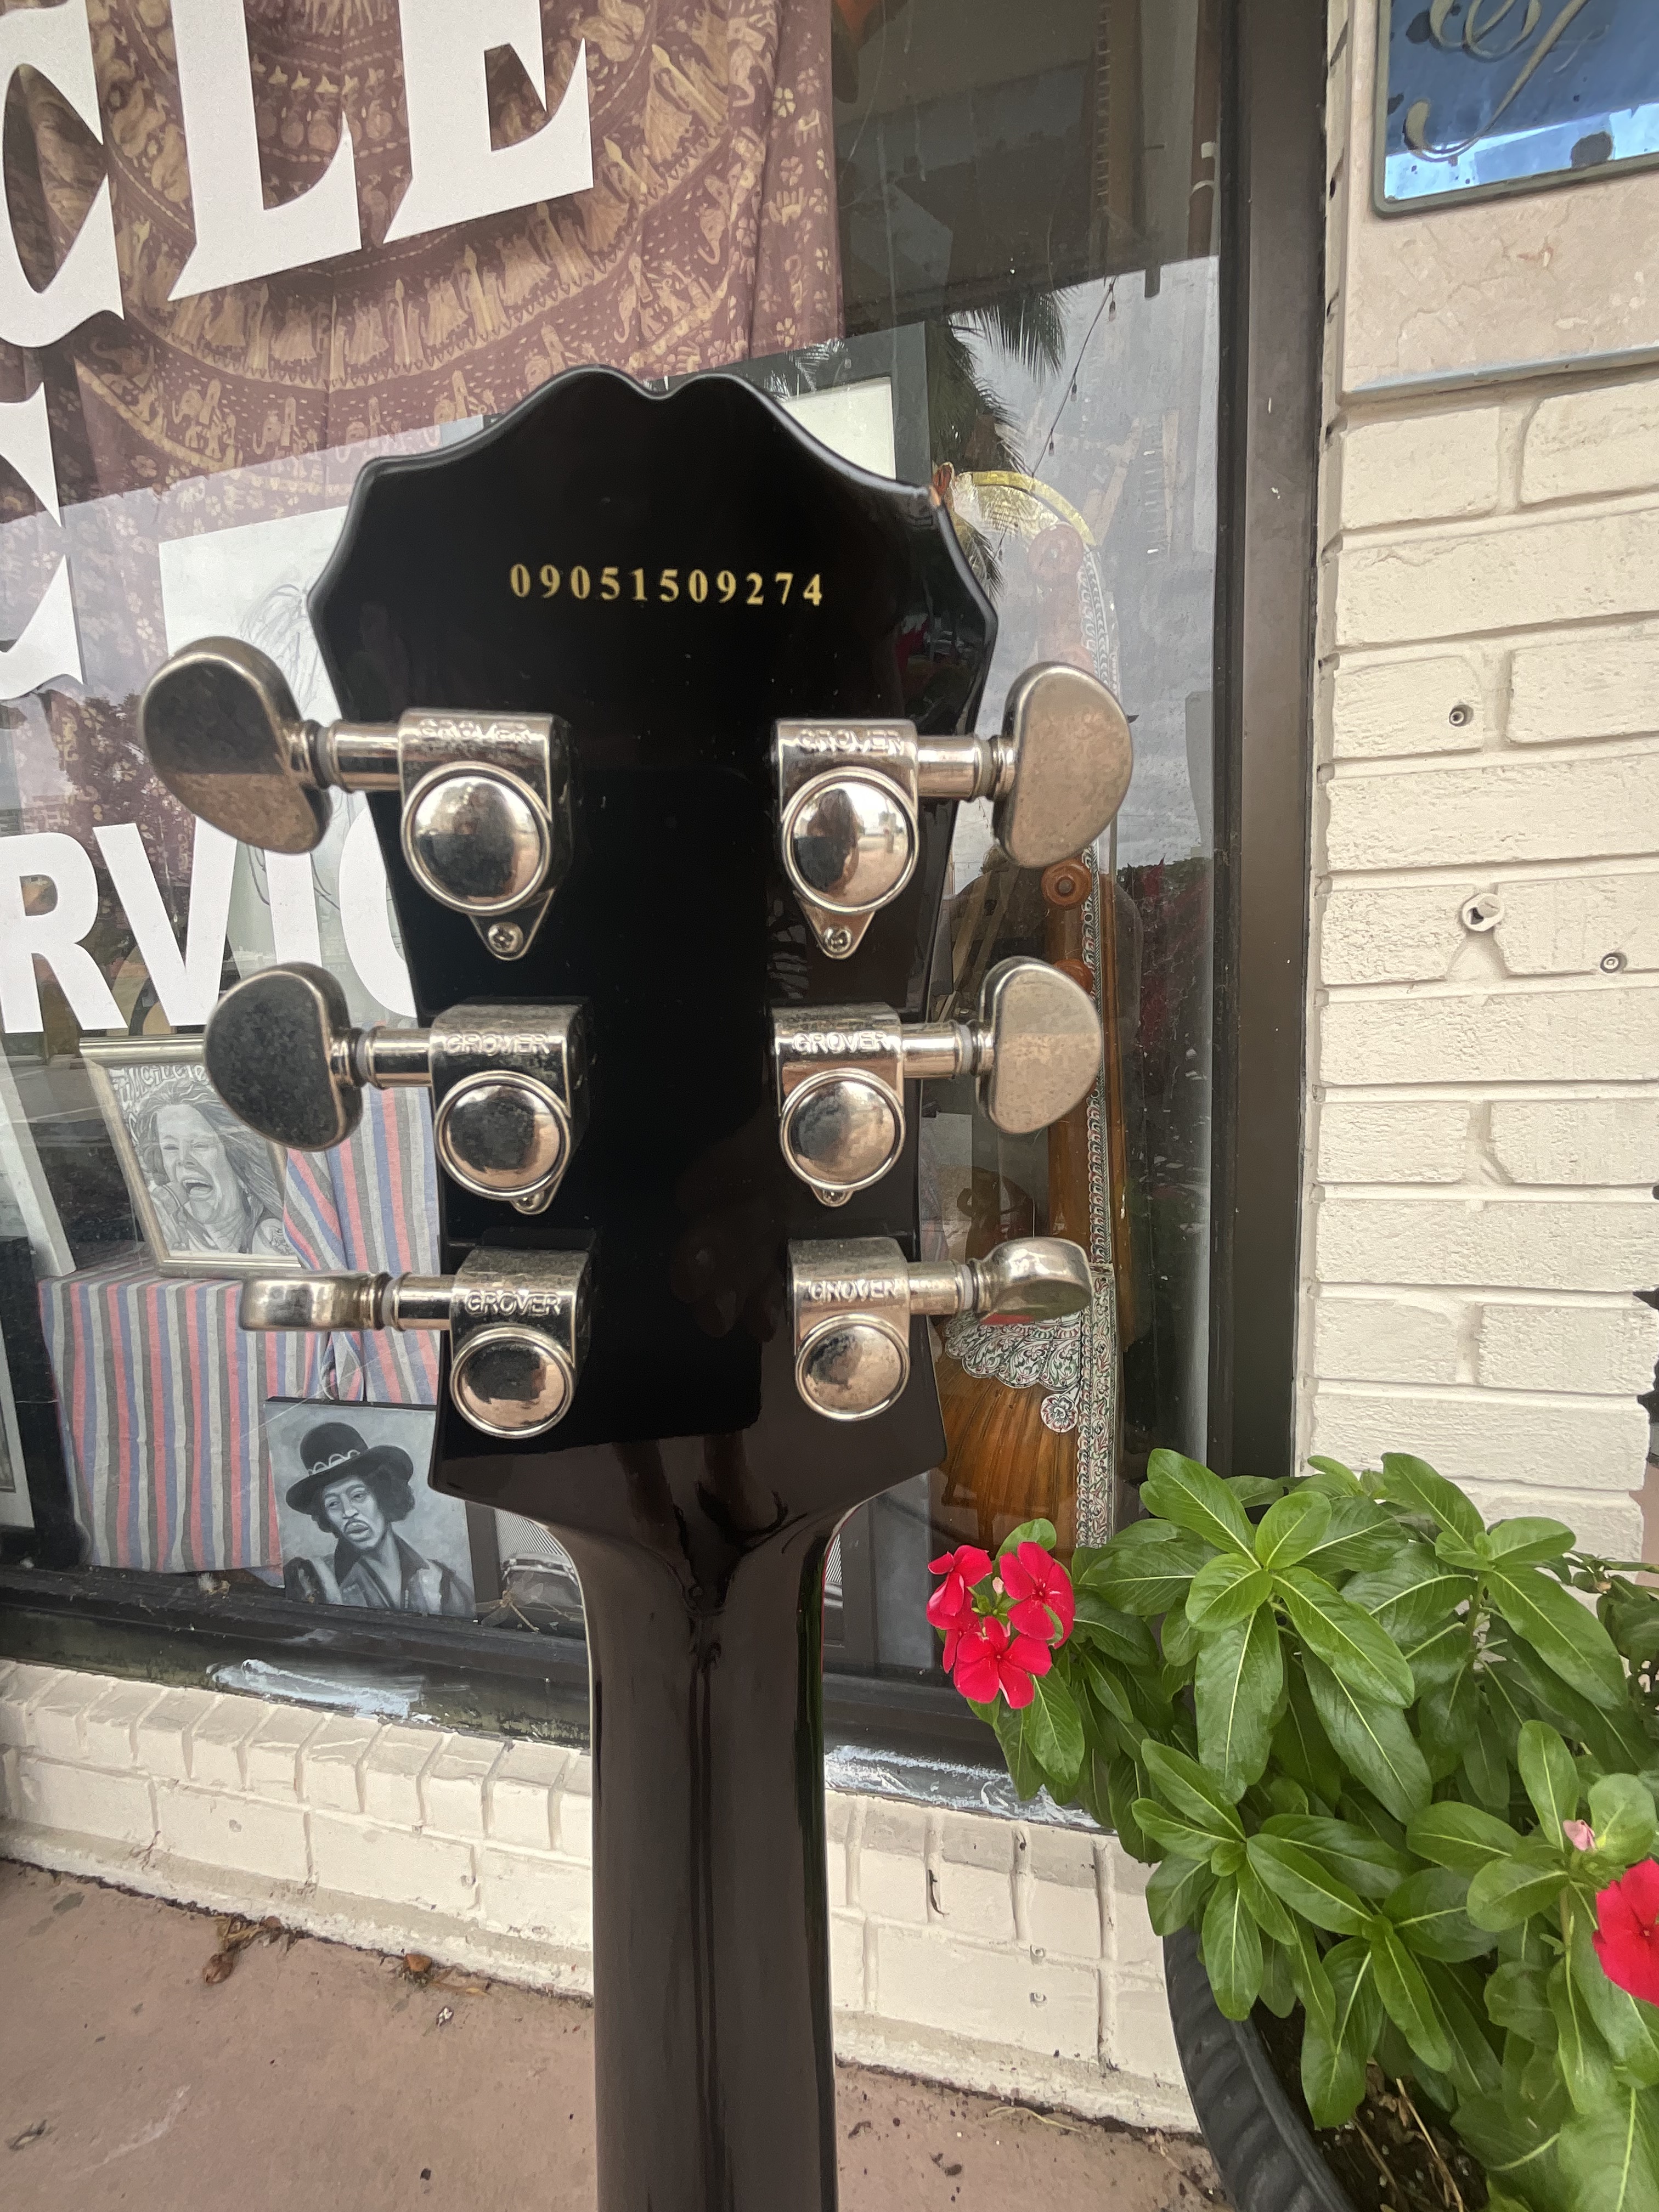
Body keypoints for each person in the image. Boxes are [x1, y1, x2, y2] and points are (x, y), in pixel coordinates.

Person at [282, 1419, 472, 1616]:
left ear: (382, 1496)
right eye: (333, 1504)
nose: (348, 1512)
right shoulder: (313, 1579)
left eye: (358, 1496)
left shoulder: (440, 1581)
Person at [130, 1085, 290, 1260]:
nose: (184, 1159)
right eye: (170, 1147)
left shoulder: (268, 1238)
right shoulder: (175, 1233)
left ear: (238, 1163)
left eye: (200, 1145)